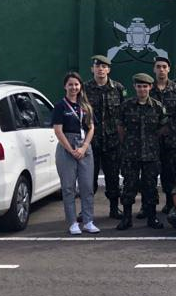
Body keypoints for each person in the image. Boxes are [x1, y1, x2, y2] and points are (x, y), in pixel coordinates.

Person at [117, 73, 168, 231]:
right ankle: (127, 218)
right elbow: (120, 127)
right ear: (135, 87)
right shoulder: (126, 105)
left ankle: (152, 217)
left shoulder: (158, 106)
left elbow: (164, 128)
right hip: (131, 154)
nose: (142, 89)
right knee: (129, 186)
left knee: (151, 186)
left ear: (150, 87)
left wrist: (151, 140)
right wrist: (128, 143)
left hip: (151, 154)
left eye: (145, 86)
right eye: (139, 86)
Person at [51, 72, 100, 235]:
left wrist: (84, 147)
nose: (74, 88)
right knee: (68, 188)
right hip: (67, 148)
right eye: (70, 84)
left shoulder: (86, 106)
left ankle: (88, 221)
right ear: (65, 86)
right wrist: (71, 150)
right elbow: (58, 131)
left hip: (84, 147)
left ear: (80, 87)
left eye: (76, 84)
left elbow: (91, 127)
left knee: (87, 187)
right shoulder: (60, 106)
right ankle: (73, 222)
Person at [84, 54, 126, 220]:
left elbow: (124, 113)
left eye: (104, 66)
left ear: (109, 69)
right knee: (88, 178)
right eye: (97, 66)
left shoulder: (118, 88)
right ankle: (86, 211)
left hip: (112, 141)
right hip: (91, 140)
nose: (100, 69)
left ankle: (114, 209)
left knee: (112, 176)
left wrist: (123, 138)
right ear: (92, 69)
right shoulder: (85, 88)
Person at [151, 55, 176, 215]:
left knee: (170, 173)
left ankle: (171, 203)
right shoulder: (148, 89)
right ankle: (148, 205)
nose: (161, 70)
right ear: (154, 69)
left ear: (169, 69)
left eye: (164, 67)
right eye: (158, 67)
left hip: (172, 140)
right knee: (149, 175)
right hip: (151, 140)